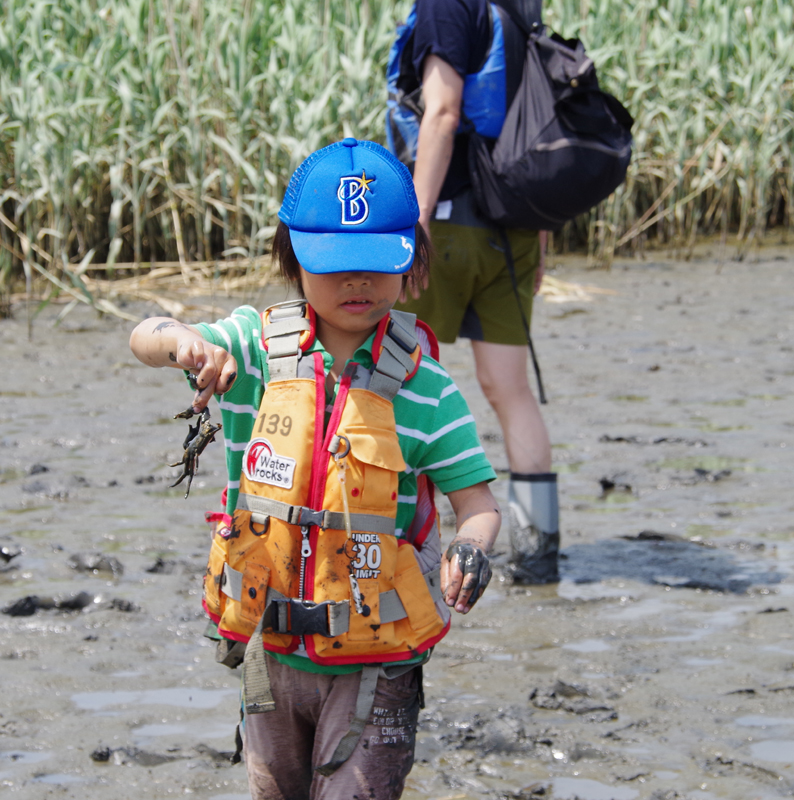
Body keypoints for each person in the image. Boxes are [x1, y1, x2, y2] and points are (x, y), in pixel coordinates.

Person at [129, 138, 501, 800]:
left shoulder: (428, 387)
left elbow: (477, 505)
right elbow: (145, 335)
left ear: (411, 258)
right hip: (270, 653)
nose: (357, 283)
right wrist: (184, 343)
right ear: (292, 255)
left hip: (376, 662)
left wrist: (473, 549)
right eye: (336, 266)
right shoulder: (248, 349)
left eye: (375, 264)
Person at [392, 0, 560, 583]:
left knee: (392, 376)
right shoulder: (518, 12)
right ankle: (538, 563)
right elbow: (535, 127)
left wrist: (411, 224)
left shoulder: (447, 7)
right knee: (512, 393)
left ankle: (396, 551)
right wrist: (539, 233)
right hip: (512, 230)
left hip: (447, 223)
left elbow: (441, 113)